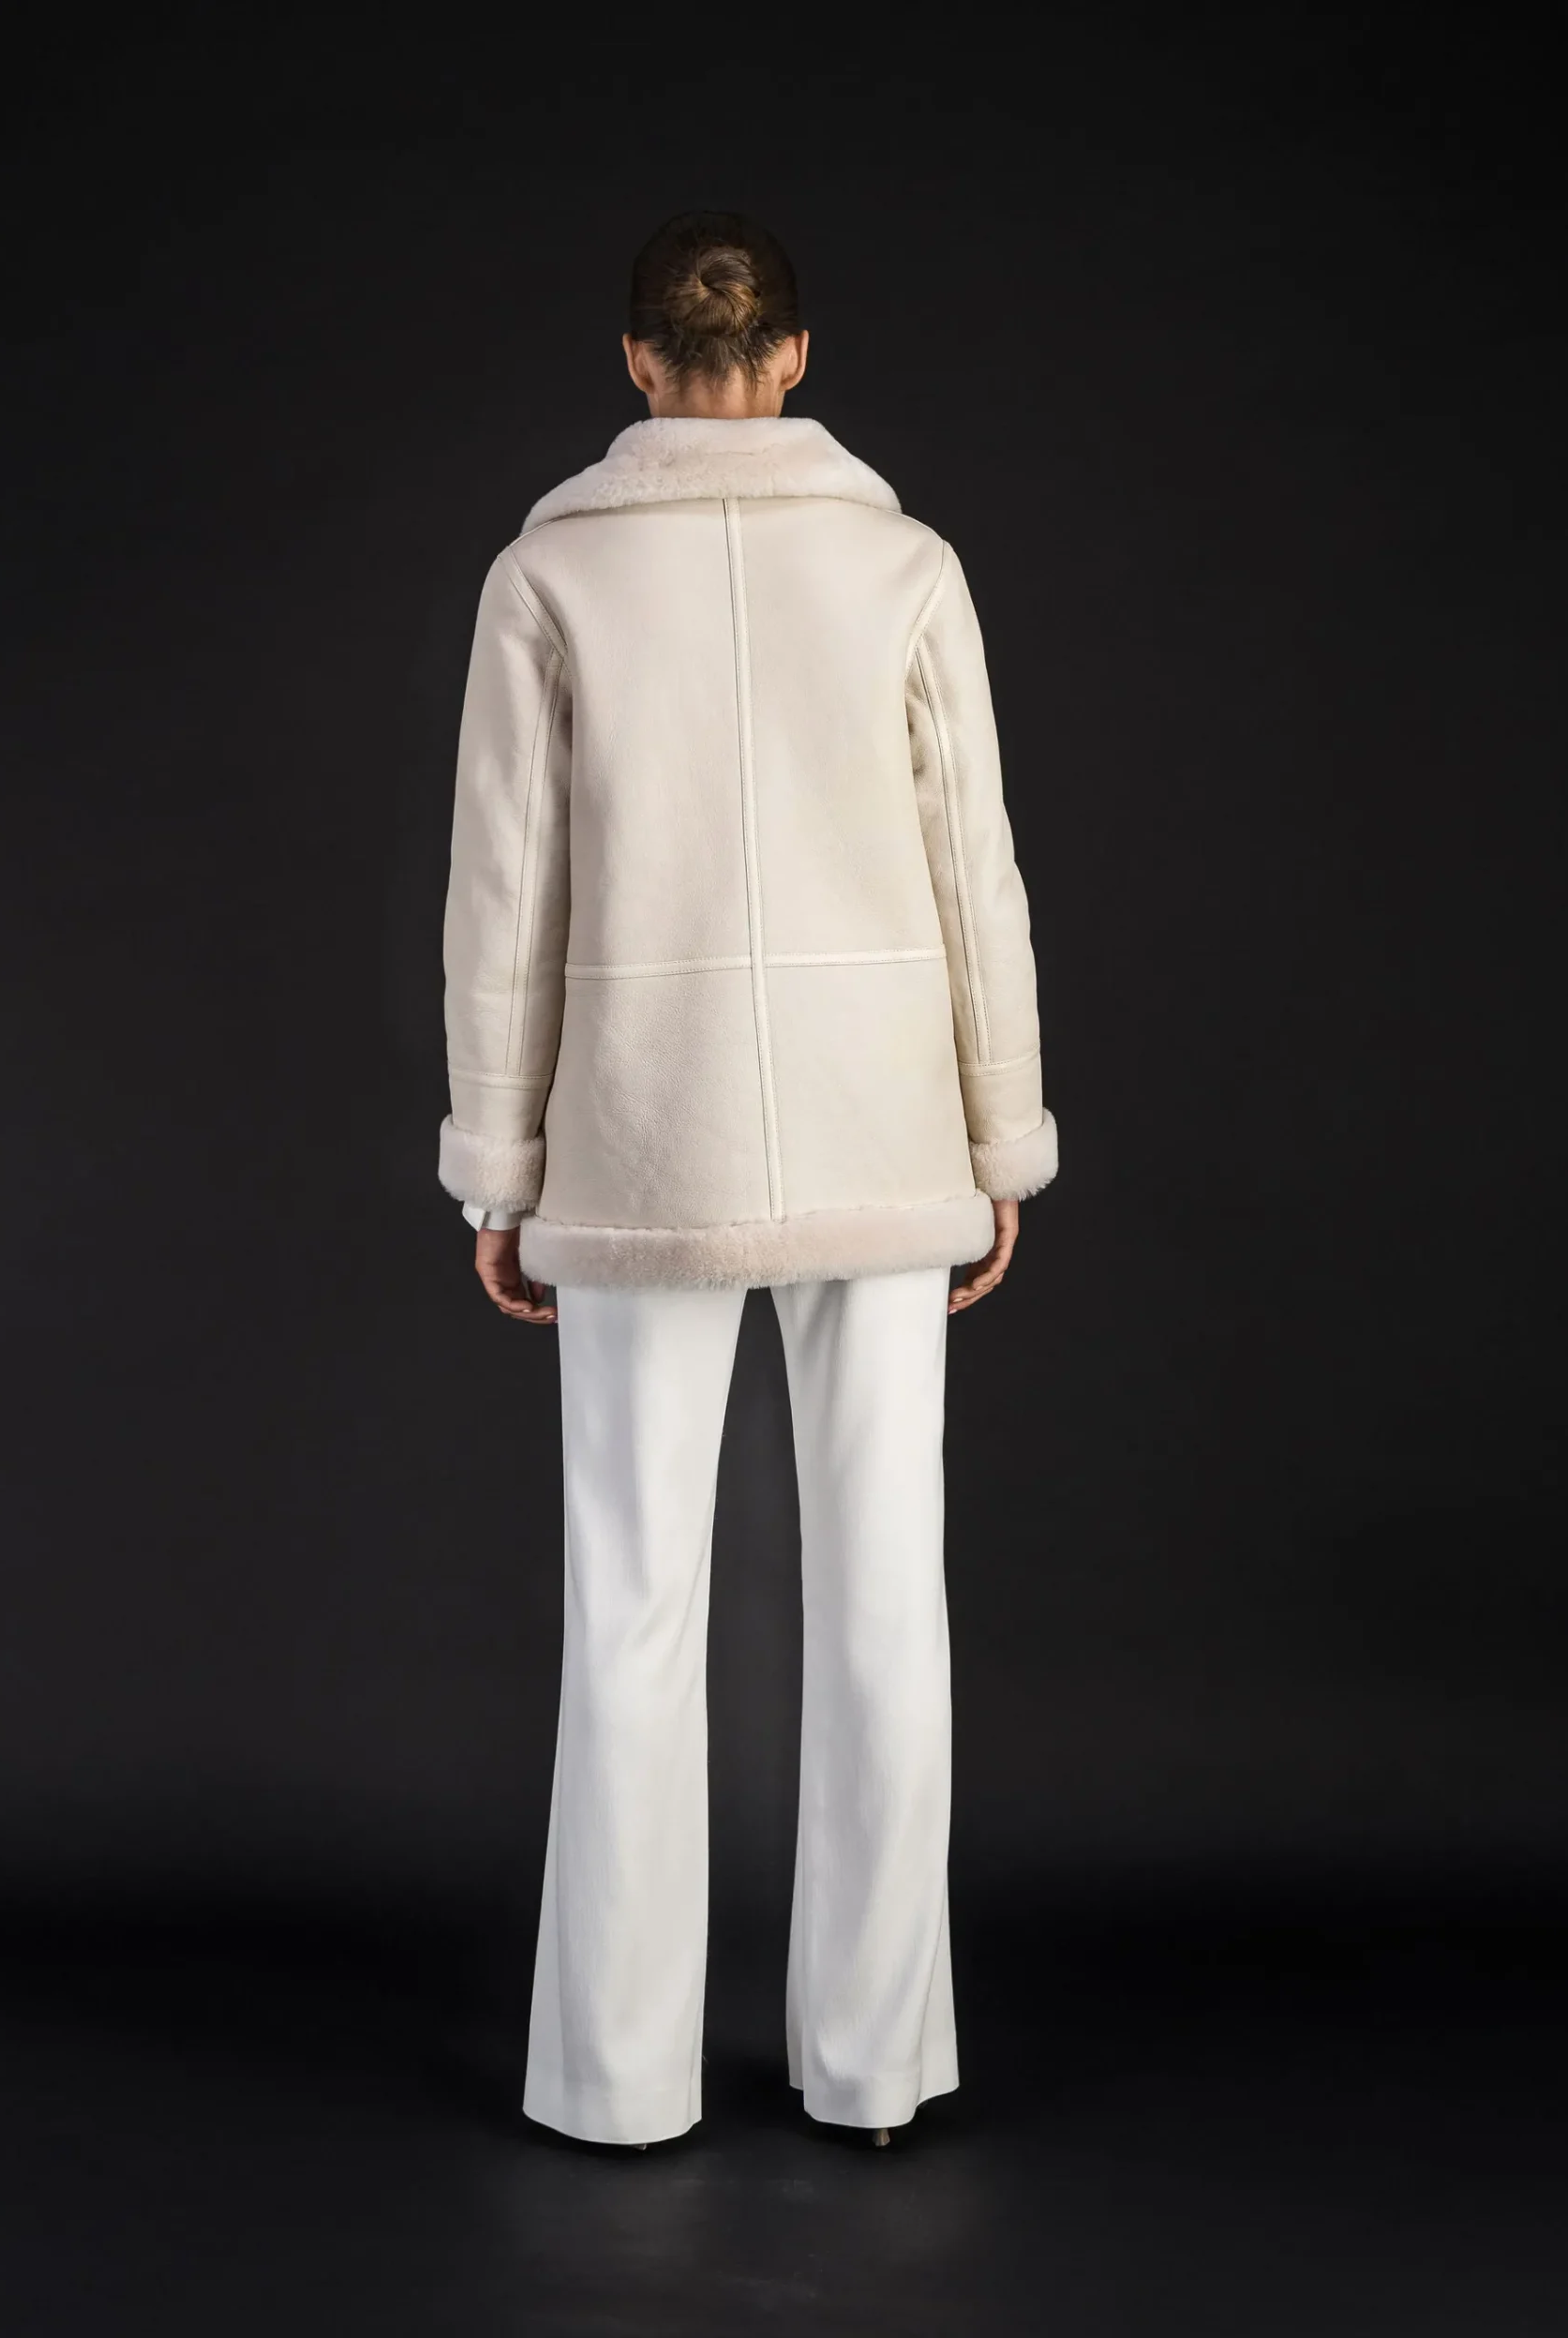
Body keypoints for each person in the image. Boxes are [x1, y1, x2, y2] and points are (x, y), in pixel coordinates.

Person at [439, 211, 1056, 2150]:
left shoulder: (547, 577)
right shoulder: (904, 567)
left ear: (637, 362)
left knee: (629, 1597)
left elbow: (501, 902)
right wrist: (1001, 1137)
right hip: (882, 1123)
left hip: (642, 1129)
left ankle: (615, 2079)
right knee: (883, 1594)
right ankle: (872, 2061)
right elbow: (974, 876)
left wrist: (497, 1168)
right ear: (794, 357)